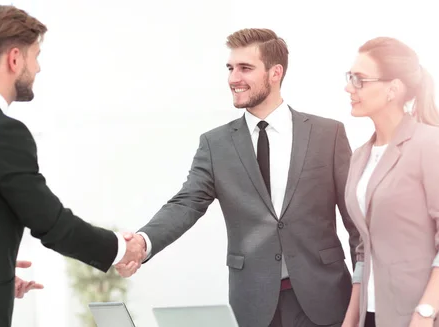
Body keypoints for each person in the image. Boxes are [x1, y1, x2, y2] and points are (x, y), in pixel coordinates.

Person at [0, 5, 144, 327]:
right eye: (36, 56)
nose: (38, 68)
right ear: (14, 58)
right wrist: (118, 247)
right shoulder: (2, 131)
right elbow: (50, 222)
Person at [116, 28, 361, 327]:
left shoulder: (327, 135)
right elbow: (186, 204)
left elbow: (356, 222)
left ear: (275, 72)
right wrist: (143, 242)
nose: (234, 78)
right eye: (231, 68)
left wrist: (365, 295)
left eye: (245, 68)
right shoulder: (215, 144)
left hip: (326, 299)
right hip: (254, 304)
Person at [341, 37, 439, 327]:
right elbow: (363, 249)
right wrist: (350, 319)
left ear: (393, 88)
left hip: (418, 318)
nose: (349, 87)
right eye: (350, 77)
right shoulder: (360, 157)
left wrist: (425, 313)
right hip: (370, 315)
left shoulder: (428, 144)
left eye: (359, 80)